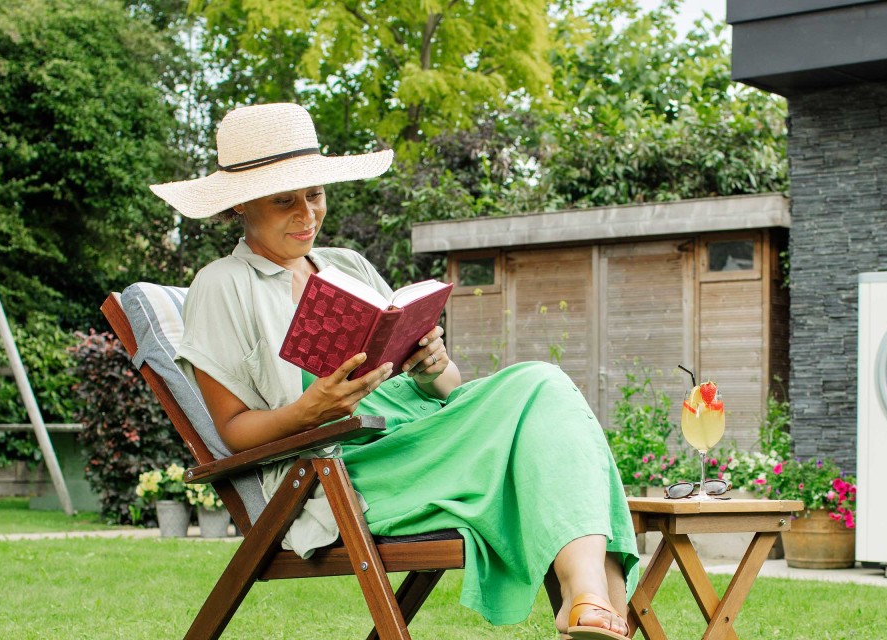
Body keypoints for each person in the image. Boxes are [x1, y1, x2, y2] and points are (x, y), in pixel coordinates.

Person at [150, 103, 639, 639]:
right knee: (542, 392)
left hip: (417, 431)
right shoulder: (222, 285)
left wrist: (433, 365)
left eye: (314, 195)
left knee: (543, 387)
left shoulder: (346, 266)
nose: (307, 215)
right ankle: (590, 601)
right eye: (284, 200)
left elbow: (443, 390)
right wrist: (310, 411)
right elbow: (232, 430)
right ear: (242, 203)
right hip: (339, 467)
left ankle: (586, 599)